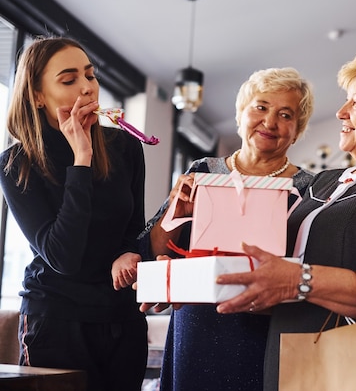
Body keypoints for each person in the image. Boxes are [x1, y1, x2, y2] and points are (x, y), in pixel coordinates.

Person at [215, 49, 356, 391]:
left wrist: (297, 279)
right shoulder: (327, 180)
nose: (340, 112)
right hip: (285, 350)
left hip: (350, 363)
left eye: (355, 102)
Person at [139, 67, 315, 391]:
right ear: (241, 112)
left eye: (285, 114)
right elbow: (157, 251)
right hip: (196, 325)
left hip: (264, 329)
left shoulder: (307, 187)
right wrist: (175, 210)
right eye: (261, 107)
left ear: (297, 129)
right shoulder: (203, 171)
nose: (270, 121)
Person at [0, 36, 148, 390]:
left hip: (122, 320)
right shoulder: (16, 164)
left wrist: (131, 251)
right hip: (55, 321)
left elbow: (134, 229)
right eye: (69, 80)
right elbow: (62, 257)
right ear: (37, 95)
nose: (87, 88)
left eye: (90, 75)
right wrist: (81, 159)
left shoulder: (125, 146)